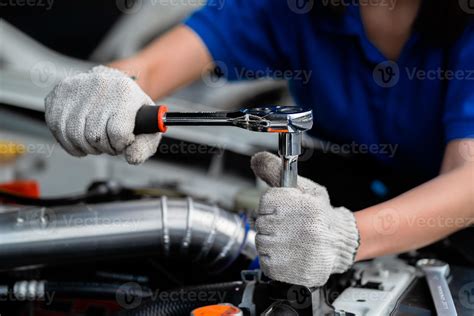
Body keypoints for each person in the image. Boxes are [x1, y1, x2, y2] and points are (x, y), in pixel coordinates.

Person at [44, 0, 474, 287]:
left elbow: (467, 179)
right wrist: (113, 89)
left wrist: (347, 236)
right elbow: (154, 65)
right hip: (348, 195)